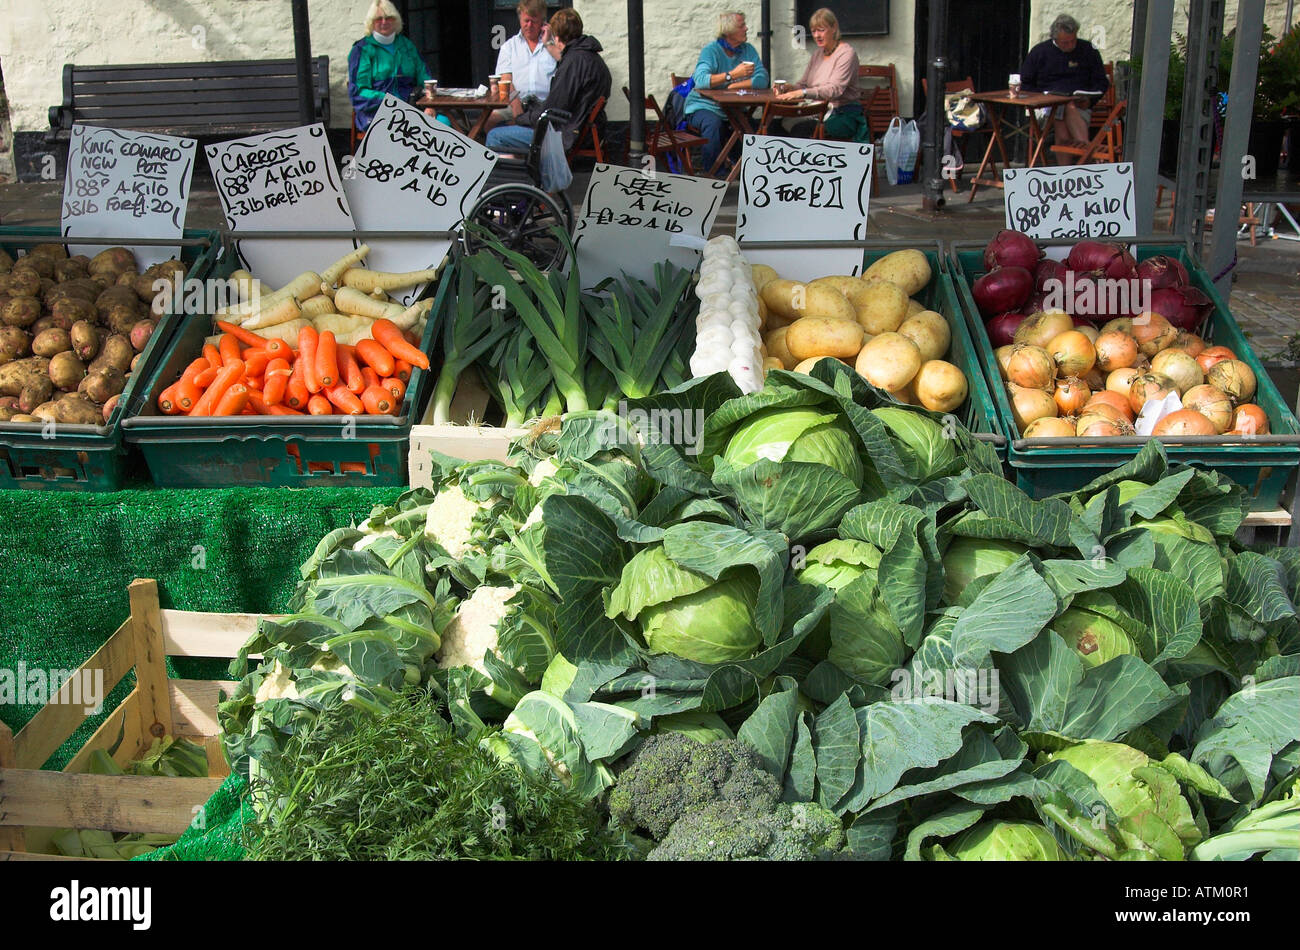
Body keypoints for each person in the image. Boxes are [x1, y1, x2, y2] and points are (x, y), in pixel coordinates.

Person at [486, 8, 611, 156]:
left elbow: (553, 108)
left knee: (495, 136)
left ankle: (513, 177)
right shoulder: (590, 56)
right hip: (581, 128)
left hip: (564, 134)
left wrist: (521, 119)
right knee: (504, 128)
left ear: (557, 38)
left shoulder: (573, 62)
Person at [683, 12, 771, 175]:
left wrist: (732, 87)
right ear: (729, 30)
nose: (746, 28)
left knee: (754, 129)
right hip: (704, 106)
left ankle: (754, 176)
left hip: (734, 109)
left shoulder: (747, 50)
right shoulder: (711, 51)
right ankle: (714, 177)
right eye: (741, 26)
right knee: (714, 125)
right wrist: (732, 75)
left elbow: (762, 79)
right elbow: (700, 79)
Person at [775, 8, 867, 142]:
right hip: (818, 112)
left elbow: (834, 90)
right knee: (776, 126)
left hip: (843, 114)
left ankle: (805, 162)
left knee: (802, 129)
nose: (817, 35)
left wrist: (802, 92)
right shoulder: (818, 54)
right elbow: (804, 84)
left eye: (821, 30)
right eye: (813, 31)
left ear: (834, 28)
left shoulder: (846, 54)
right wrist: (790, 88)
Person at [1019, 14, 1109, 148]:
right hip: (1046, 106)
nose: (1071, 45)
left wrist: (1090, 100)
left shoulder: (1087, 50)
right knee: (1064, 106)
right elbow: (1026, 83)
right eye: (1065, 42)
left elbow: (1101, 81)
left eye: (1073, 40)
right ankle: (1087, 151)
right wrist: (1043, 97)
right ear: (1054, 39)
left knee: (1065, 112)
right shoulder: (1040, 52)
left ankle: (1067, 166)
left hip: (1080, 106)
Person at [347, 1, 435, 132]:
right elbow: (358, 93)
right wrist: (391, 102)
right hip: (376, 114)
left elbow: (425, 79)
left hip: (411, 110)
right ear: (371, 22)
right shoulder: (362, 50)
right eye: (378, 19)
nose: (384, 22)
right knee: (409, 132)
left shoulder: (407, 45)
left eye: (389, 17)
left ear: (396, 20)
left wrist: (430, 105)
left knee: (444, 123)